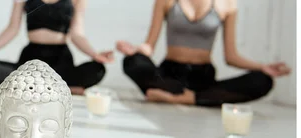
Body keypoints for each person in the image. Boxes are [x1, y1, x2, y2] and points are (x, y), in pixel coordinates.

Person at [116, 0, 291, 107]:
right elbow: (149, 46)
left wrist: (263, 67)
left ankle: (185, 98)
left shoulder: (227, 3)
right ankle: (195, 98)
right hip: (169, 76)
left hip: (202, 77)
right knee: (133, 62)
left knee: (263, 80)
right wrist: (136, 51)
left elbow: (231, 56)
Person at [0, 0, 114, 95]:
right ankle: (60, 87)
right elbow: (12, 28)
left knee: (97, 69)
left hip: (60, 59)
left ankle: (31, 86)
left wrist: (95, 55)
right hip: (31, 57)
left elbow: (77, 35)